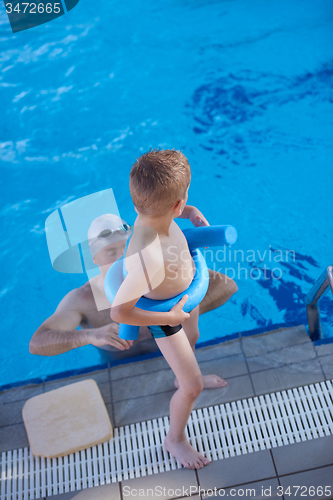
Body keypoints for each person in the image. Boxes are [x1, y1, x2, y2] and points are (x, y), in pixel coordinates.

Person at [110, 148, 236, 470]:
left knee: (193, 335)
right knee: (193, 386)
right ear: (176, 203)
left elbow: (166, 208)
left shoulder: (156, 210)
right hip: (166, 315)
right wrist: (169, 317)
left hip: (182, 298)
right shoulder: (148, 256)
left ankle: (182, 378)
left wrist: (190, 211)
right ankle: (175, 439)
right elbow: (120, 312)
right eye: (185, 201)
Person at [29, 213, 238, 360]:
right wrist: (91, 335)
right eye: (111, 253)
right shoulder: (83, 300)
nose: (123, 259)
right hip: (119, 363)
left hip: (172, 357)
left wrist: (176, 312)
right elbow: (38, 342)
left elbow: (228, 286)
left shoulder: (156, 274)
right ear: (94, 258)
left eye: (127, 249)